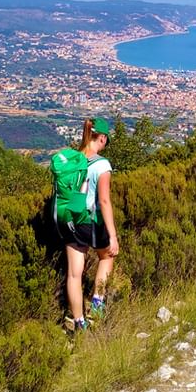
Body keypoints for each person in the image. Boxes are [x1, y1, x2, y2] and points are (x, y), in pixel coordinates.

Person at [64, 117, 119, 332]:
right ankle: (97, 302)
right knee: (107, 255)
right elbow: (104, 201)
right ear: (102, 138)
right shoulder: (102, 165)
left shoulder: (73, 160)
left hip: (71, 221)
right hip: (92, 221)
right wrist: (112, 235)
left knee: (74, 274)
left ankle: (79, 323)